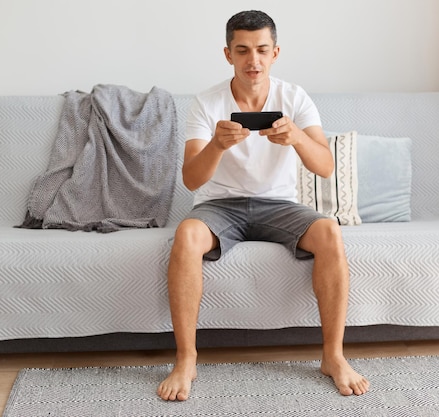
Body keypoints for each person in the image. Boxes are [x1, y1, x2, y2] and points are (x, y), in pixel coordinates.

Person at [157, 10, 369, 401]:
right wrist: (217, 146)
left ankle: (333, 356)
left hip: (278, 205)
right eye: (242, 51)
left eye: (261, 50)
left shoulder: (295, 97)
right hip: (220, 205)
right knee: (187, 234)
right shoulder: (206, 103)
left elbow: (324, 166)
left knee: (329, 231)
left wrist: (298, 139)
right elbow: (191, 179)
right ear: (228, 54)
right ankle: (186, 358)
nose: (252, 60)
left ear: (275, 53)